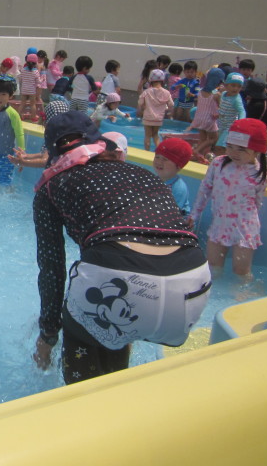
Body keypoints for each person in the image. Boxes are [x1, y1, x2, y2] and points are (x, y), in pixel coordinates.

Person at [33, 111, 210, 384]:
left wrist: (48, 334)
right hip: (192, 287)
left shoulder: (52, 187)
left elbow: (52, 269)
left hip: (120, 281)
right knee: (117, 327)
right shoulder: (144, 174)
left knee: (85, 388)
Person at [190, 118, 267, 280]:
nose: (233, 153)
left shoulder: (260, 175)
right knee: (212, 267)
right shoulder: (218, 164)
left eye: (241, 149)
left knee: (241, 271)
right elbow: (205, 190)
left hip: (245, 228)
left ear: (257, 150)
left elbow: (257, 203)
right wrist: (194, 215)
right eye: (230, 146)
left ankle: (248, 294)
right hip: (220, 224)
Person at [187, 67, 224, 163]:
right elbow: (221, 107)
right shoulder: (216, 95)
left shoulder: (200, 91)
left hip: (198, 118)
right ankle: (197, 151)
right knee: (214, 138)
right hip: (209, 119)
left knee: (202, 138)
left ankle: (198, 156)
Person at [153, 138, 193, 218]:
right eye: (157, 157)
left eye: (165, 159)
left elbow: (172, 214)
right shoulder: (153, 180)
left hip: (175, 220)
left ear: (178, 167)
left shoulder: (178, 188)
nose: (159, 162)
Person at [137, 69, 174, 151]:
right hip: (159, 118)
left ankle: (146, 153)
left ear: (150, 80)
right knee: (155, 135)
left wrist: (143, 107)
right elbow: (171, 104)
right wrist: (166, 109)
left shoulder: (147, 92)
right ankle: (159, 152)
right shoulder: (166, 92)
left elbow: (140, 102)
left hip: (148, 117)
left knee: (147, 135)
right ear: (162, 80)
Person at [213, 72, 246, 155]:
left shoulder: (236, 99)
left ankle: (220, 160)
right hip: (221, 124)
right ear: (226, 85)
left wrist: (241, 122)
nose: (236, 88)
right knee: (220, 143)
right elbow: (223, 106)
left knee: (221, 146)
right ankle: (223, 158)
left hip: (230, 126)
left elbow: (242, 111)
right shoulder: (224, 94)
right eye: (233, 85)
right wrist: (218, 114)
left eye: (239, 86)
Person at [18, 53, 42, 122]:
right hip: (32, 91)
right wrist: (42, 79)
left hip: (24, 90)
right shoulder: (36, 71)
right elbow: (38, 81)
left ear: (27, 62)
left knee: (22, 104)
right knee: (32, 104)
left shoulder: (23, 70)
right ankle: (33, 117)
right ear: (35, 63)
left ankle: (18, 116)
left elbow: (20, 78)